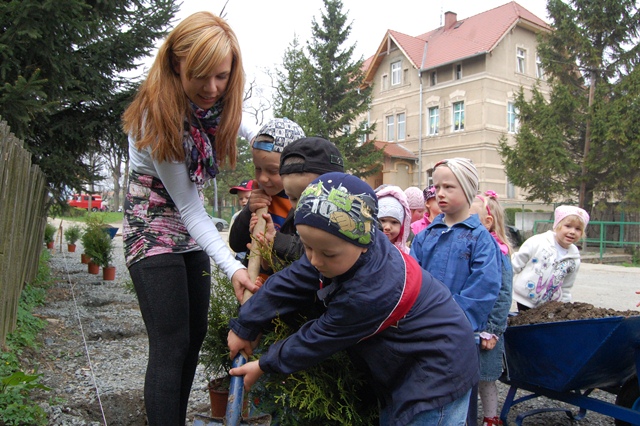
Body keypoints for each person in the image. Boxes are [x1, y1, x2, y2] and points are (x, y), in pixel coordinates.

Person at [228, 173, 479, 426]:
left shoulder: (370, 291)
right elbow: (291, 279)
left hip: (439, 370)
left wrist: (264, 364)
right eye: (307, 247)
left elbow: (319, 338)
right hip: (407, 362)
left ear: (364, 245)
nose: (315, 260)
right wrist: (245, 324)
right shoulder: (338, 242)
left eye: (327, 253)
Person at [120, 12, 255, 426]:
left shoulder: (210, 109)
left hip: (186, 227)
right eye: (201, 76)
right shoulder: (156, 115)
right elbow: (191, 207)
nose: (213, 88)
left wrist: (290, 157)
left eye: (221, 76)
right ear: (177, 64)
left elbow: (256, 134)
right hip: (151, 225)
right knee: (171, 343)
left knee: (193, 339)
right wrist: (233, 267)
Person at [409, 158, 501, 426]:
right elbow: (412, 279)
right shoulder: (426, 236)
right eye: (436, 186)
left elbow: (483, 291)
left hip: (459, 338)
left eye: (448, 186)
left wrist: (450, 322)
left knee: (459, 405)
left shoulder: (481, 240)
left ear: (468, 188)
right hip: (422, 334)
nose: (440, 193)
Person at [251, 136, 345, 267]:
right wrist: (269, 262)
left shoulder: (346, 221)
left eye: (309, 197)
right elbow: (299, 270)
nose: (300, 205)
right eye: (293, 198)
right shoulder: (294, 217)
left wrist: (277, 240)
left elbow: (316, 254)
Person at [228, 117, 305, 263]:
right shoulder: (260, 197)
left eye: (272, 170)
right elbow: (236, 244)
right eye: (258, 168)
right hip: (256, 282)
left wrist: (274, 244)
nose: (262, 178)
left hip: (285, 282)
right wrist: (248, 212)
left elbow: (305, 254)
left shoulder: (305, 204)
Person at [469, 191, 513, 426]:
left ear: (488, 223)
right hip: (472, 325)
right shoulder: (472, 247)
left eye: (471, 219)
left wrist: (493, 329)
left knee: (486, 378)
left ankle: (490, 418)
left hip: (487, 328)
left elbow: (504, 294)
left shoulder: (499, 252)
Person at [512, 205, 590, 311]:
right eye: (568, 226)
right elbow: (516, 263)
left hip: (549, 305)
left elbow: (566, 286)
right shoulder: (537, 242)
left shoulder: (574, 258)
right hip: (525, 298)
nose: (572, 231)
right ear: (557, 226)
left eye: (577, 229)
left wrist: (564, 306)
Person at [375, 185, 411, 253]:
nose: (387, 227)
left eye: (394, 222)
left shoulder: (406, 254)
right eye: (382, 220)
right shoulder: (365, 252)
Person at [229, 179, 255, 261]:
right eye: (240, 198)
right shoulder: (236, 217)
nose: (244, 201)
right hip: (241, 257)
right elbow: (231, 239)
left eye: (247, 197)